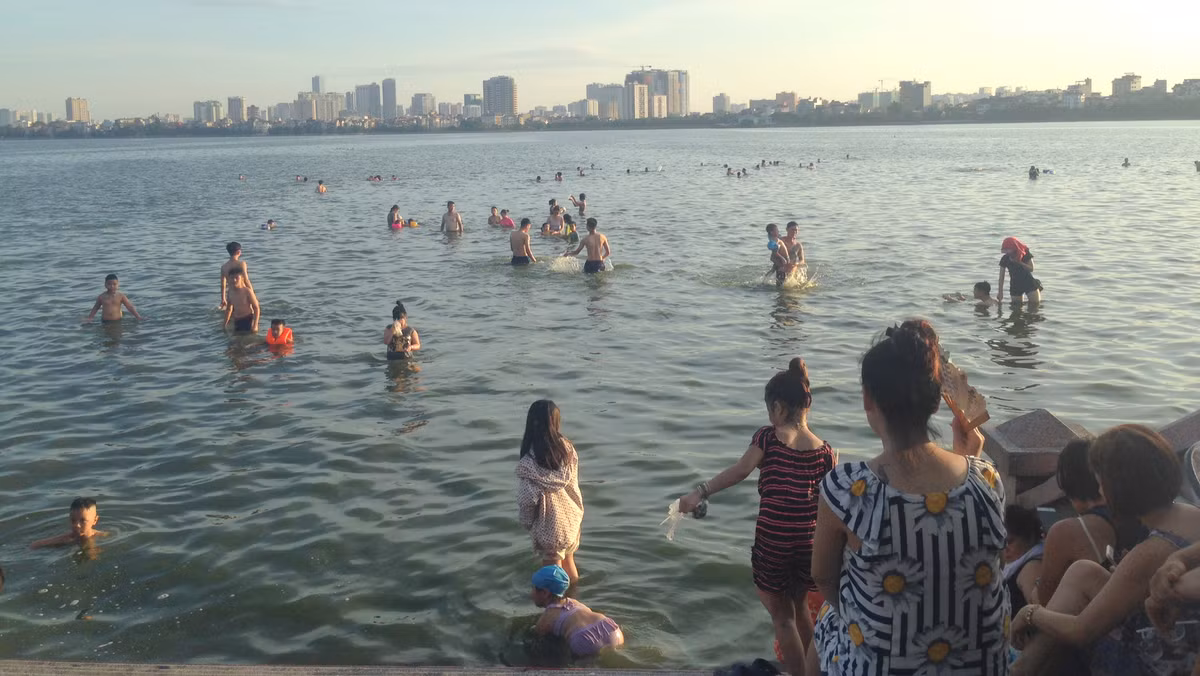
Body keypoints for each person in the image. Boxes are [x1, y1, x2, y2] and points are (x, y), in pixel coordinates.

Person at [811, 320, 1007, 676]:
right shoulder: (986, 479)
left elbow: (823, 578)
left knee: (825, 621)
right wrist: (970, 457)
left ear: (868, 399)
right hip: (981, 668)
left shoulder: (846, 488)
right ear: (936, 403)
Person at [678, 358, 836, 676]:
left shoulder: (768, 438)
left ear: (777, 408)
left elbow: (739, 471)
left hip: (774, 542)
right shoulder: (826, 452)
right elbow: (828, 505)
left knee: (783, 618)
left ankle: (799, 674)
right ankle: (816, 672)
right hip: (808, 542)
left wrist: (700, 492)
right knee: (803, 611)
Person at [1011, 425, 1200, 676]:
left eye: (1101, 483)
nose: (1099, 491)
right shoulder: (1189, 515)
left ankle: (1020, 670)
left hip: (1160, 663)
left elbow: (1081, 630)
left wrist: (1029, 613)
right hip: (1183, 638)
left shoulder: (1152, 552)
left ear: (1118, 487)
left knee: (1072, 601)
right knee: (1083, 572)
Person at [1034, 439, 1126, 604]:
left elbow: (1044, 599)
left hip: (1089, 624)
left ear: (1069, 482)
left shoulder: (1066, 531)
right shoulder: (1139, 515)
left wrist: (1034, 583)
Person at [517, 400, 584, 585]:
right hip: (572, 519)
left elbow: (526, 499)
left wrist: (526, 522)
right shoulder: (567, 449)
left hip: (550, 528)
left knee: (552, 575)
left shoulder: (529, 463)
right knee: (569, 563)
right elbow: (573, 484)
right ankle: (575, 601)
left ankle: (558, 611)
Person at [530, 565, 625, 657]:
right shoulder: (574, 602)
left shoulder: (547, 617)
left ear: (545, 593)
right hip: (608, 627)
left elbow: (537, 635)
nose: (531, 593)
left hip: (583, 638)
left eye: (533, 589)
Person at [1006, 505, 1046, 610]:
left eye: (1010, 542)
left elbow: (1040, 614)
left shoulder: (1032, 567)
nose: (1004, 549)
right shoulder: (1012, 566)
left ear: (1030, 537)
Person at [31, 498, 108, 549]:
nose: (77, 525)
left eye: (83, 520)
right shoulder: (66, 539)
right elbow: (35, 545)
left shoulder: (103, 536)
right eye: (73, 520)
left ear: (95, 520)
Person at [997, 236, 1043, 305]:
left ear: (1014, 247)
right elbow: (1001, 277)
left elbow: (1031, 269)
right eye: (1005, 249)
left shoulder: (1025, 254)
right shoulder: (1005, 259)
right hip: (1015, 285)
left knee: (1035, 307)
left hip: (1028, 282)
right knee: (1016, 309)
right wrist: (1000, 292)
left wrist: (1019, 262)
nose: (1006, 252)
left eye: (1008, 249)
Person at [223, 268, 259, 334]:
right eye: (232, 278)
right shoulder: (230, 292)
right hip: (237, 320)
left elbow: (256, 308)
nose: (234, 280)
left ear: (242, 278)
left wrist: (255, 325)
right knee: (234, 342)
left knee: (248, 341)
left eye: (237, 278)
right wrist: (225, 324)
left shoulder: (247, 291)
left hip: (248, 319)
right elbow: (228, 309)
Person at [220, 241, 253, 309]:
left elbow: (223, 285)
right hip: (242, 292)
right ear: (238, 252)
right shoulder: (242, 264)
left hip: (231, 294)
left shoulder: (224, 267)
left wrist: (223, 299)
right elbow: (246, 280)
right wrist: (252, 293)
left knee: (232, 313)